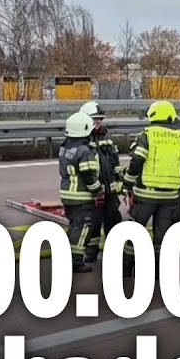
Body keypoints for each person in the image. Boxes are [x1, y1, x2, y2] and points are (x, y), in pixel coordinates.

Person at [121, 100, 180, 275]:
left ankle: (126, 269)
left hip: (145, 195)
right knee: (163, 238)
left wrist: (127, 184)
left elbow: (136, 162)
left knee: (135, 232)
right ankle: (159, 272)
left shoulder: (147, 136)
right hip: (171, 197)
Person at [59, 111, 103, 273]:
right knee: (83, 228)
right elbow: (89, 175)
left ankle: (69, 257)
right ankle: (76, 262)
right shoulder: (84, 151)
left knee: (74, 227)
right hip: (81, 196)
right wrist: (98, 190)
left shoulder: (65, 146)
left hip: (67, 194)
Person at [79, 101, 121, 264]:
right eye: (95, 119)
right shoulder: (82, 141)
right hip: (93, 193)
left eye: (100, 119)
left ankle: (113, 253)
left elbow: (115, 163)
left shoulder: (106, 138)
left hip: (110, 192)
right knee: (93, 226)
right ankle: (90, 254)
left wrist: (120, 186)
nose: (98, 122)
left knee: (113, 222)